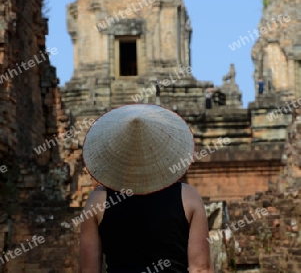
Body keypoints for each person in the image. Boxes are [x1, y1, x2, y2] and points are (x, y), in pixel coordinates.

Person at [80, 104, 214, 273]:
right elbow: (201, 268)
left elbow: (88, 270)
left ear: (115, 151)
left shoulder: (98, 200)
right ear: (163, 149)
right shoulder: (188, 197)